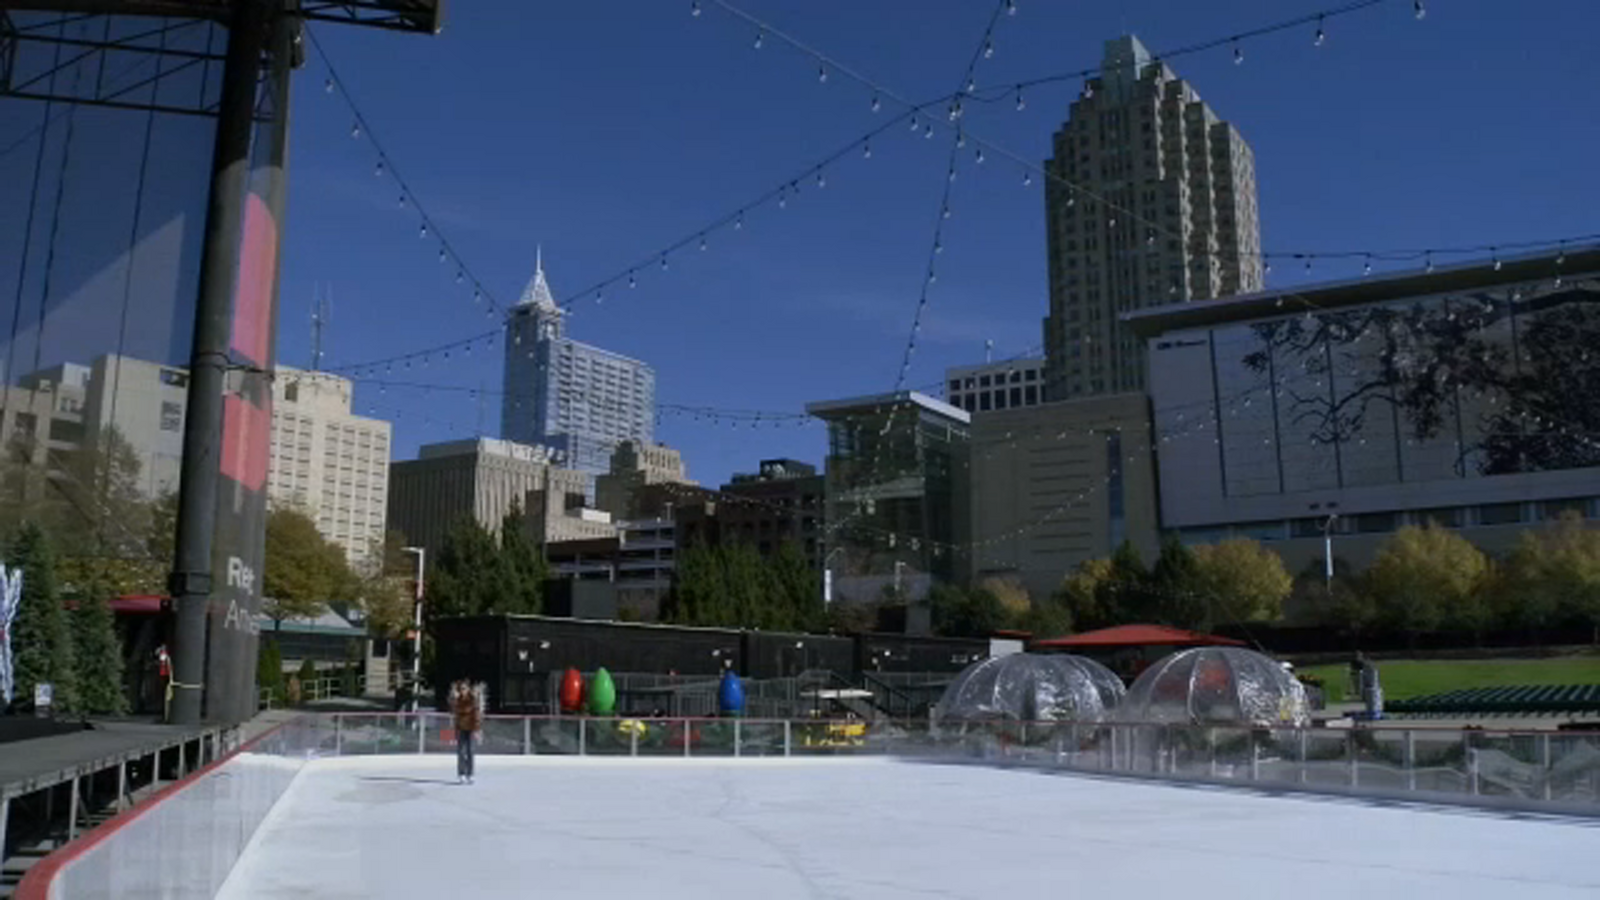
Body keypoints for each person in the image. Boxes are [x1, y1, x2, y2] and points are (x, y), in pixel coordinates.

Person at [451, 680, 482, 784]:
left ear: (468, 689)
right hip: (460, 728)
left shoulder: (472, 699)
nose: (462, 691)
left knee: (470, 751)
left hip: (471, 728)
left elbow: (476, 715)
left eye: (464, 689)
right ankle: (461, 774)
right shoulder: (457, 700)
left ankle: (470, 774)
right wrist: (454, 699)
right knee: (461, 752)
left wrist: (477, 730)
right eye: (461, 689)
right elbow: (455, 714)